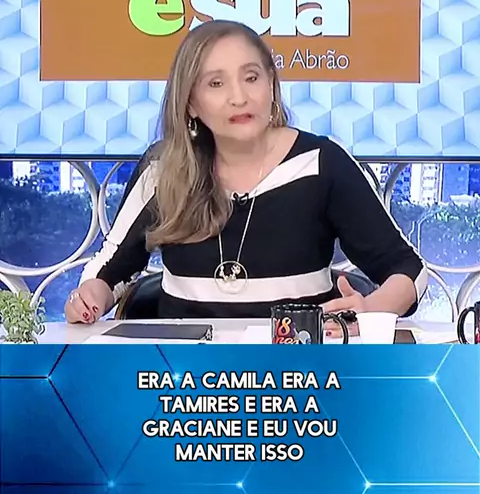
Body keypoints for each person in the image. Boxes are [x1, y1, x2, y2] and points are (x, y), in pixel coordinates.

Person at [65, 20, 428, 327]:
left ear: (271, 83)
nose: (239, 97)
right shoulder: (164, 169)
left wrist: (372, 310)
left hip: (300, 370)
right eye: (216, 84)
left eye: (251, 77)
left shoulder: (320, 163)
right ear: (190, 103)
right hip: (183, 374)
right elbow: (110, 270)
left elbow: (409, 270)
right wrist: (90, 296)